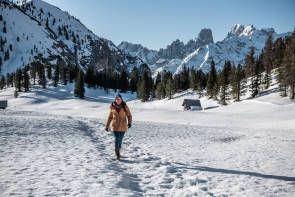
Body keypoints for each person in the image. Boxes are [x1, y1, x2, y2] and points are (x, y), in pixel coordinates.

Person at [105, 93, 132, 160]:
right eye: (117, 99)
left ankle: (118, 152)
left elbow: (129, 115)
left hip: (123, 126)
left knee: (120, 140)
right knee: (117, 139)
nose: (118, 100)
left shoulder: (125, 106)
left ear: (121, 99)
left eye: (120, 99)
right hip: (115, 126)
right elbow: (110, 117)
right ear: (115, 100)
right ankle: (117, 155)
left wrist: (129, 123)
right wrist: (107, 126)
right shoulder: (112, 107)